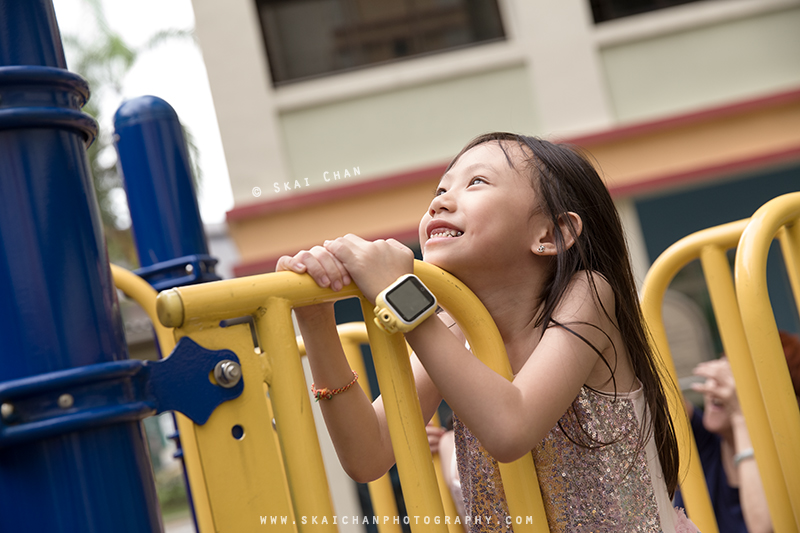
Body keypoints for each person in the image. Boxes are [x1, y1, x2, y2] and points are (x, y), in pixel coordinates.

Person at [277, 133, 695, 532]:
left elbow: (511, 428)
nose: (441, 202)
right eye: (439, 191)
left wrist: (399, 293)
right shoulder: (452, 326)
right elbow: (368, 455)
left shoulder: (588, 296)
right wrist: (316, 324)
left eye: (476, 182)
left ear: (551, 234)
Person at [674, 331, 800, 533]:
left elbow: (763, 528)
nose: (716, 386)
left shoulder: (790, 467)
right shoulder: (703, 442)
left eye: (736, 377)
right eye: (722, 368)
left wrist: (740, 416)